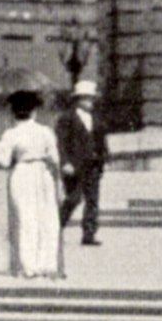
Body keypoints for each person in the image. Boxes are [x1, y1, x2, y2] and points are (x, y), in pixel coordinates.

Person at [0, 90, 65, 280]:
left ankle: (28, 266)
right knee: (47, 217)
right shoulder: (45, 131)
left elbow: (4, 161)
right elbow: (55, 158)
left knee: (24, 218)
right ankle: (48, 264)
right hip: (43, 173)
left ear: (13, 112)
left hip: (21, 173)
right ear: (34, 111)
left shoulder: (10, 134)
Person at [56, 78, 108, 247]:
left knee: (92, 200)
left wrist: (104, 157)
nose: (91, 101)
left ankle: (89, 234)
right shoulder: (67, 118)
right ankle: (55, 228)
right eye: (87, 98)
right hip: (75, 166)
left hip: (93, 164)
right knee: (73, 198)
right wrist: (65, 163)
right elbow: (61, 143)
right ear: (78, 99)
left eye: (92, 98)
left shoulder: (96, 118)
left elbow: (101, 139)